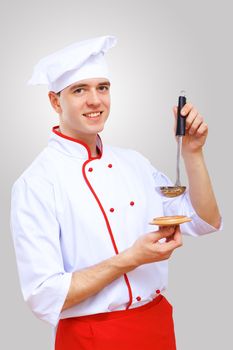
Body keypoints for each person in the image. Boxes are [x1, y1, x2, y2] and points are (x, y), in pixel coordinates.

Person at [11, 35, 221, 350]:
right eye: (79, 90)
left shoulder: (134, 162)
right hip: (90, 337)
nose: (95, 101)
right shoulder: (36, 183)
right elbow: (44, 296)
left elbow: (205, 220)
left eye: (103, 87)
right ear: (56, 102)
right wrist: (130, 259)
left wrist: (193, 153)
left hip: (157, 326)